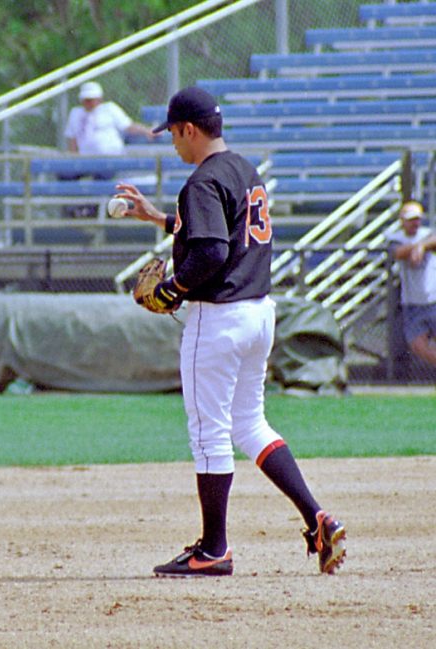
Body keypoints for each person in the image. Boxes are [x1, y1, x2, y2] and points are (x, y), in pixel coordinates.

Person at [111, 86, 346, 577]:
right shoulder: (242, 169)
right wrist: (158, 218)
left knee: (209, 433)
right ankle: (317, 517)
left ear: (189, 129)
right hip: (259, 313)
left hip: (218, 319)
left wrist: (173, 286)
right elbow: (219, 229)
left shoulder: (200, 181)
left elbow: (212, 252)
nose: (172, 144)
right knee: (250, 424)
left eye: (173, 134)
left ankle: (214, 549)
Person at [61, 81, 154, 218]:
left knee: (102, 176)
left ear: (99, 99)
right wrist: (74, 159)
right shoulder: (76, 113)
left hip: (110, 158)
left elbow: (128, 126)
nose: (88, 103)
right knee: (65, 174)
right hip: (85, 159)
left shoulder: (109, 109)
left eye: (91, 99)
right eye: (86, 100)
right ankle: (72, 209)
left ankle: (92, 210)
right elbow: (72, 138)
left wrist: (146, 131)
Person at [386, 200, 436, 367]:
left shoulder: (426, 234)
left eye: (417, 219)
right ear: (402, 221)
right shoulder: (395, 238)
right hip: (412, 304)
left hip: (433, 300)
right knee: (417, 346)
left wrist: (422, 246)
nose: (415, 223)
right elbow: (397, 252)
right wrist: (418, 247)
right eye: (411, 219)